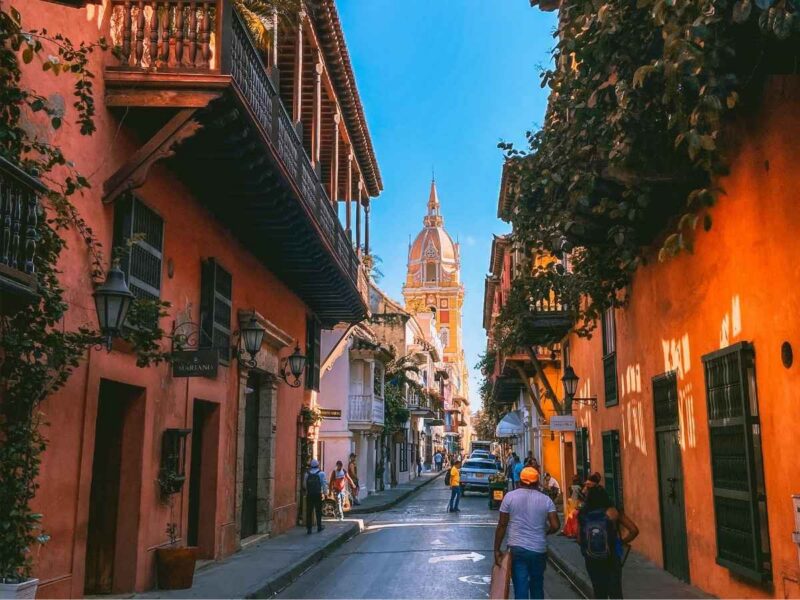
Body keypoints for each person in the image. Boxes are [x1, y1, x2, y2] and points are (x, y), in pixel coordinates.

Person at [493, 467, 560, 599]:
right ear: (537, 482)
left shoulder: (510, 497)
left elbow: (502, 525)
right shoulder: (546, 500)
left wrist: (496, 549)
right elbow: (556, 525)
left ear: (520, 481)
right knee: (537, 585)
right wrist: (545, 532)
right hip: (538, 549)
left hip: (517, 548)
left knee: (520, 586)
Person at [578, 484, 639, 599]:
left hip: (592, 558)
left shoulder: (583, 514)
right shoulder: (614, 512)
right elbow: (634, 530)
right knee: (615, 591)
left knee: (599, 591)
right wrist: (621, 542)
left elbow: (579, 539)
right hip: (612, 556)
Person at [303, 459, 327, 534]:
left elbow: (304, 485)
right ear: (318, 465)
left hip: (309, 494)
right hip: (317, 494)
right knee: (318, 511)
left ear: (311, 466)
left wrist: (308, 491)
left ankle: (309, 529)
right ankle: (319, 527)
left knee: (309, 511)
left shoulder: (307, 474)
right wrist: (325, 493)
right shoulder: (321, 473)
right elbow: (324, 484)